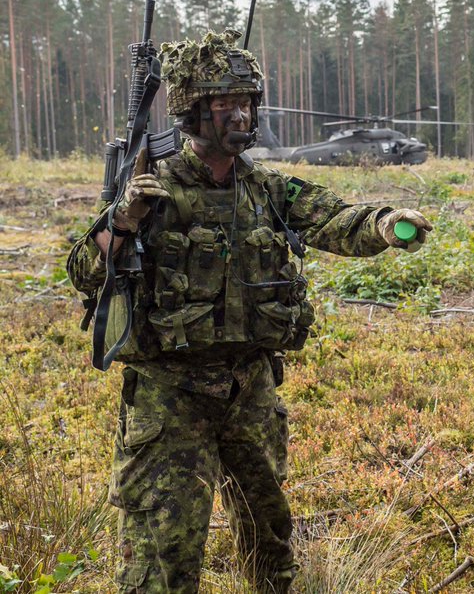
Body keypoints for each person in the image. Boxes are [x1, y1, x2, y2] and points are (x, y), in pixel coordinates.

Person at [66, 29, 432, 593]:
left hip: (251, 389)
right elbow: (84, 274)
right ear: (191, 111)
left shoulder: (265, 189)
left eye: (246, 102)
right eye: (224, 104)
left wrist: (387, 224)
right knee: (162, 560)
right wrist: (124, 220)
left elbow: (334, 218)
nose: (240, 115)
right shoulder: (149, 188)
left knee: (270, 542)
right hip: (171, 397)